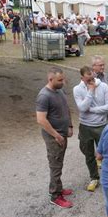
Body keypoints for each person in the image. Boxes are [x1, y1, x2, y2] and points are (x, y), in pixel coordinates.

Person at [36, 67, 74, 208]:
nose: (63, 82)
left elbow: (66, 108)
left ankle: (59, 188)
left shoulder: (60, 90)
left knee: (59, 163)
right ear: (50, 79)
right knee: (55, 165)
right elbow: (41, 119)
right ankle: (55, 195)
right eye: (59, 80)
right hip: (54, 137)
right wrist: (56, 135)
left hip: (62, 134)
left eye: (63, 79)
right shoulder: (44, 96)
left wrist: (70, 126)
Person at [73, 66, 108, 192]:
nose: (91, 81)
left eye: (92, 78)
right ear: (82, 78)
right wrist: (90, 91)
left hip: (101, 125)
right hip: (85, 126)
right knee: (88, 154)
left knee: (107, 153)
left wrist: (93, 110)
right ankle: (94, 177)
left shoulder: (104, 86)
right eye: (88, 79)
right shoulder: (77, 89)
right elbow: (82, 108)